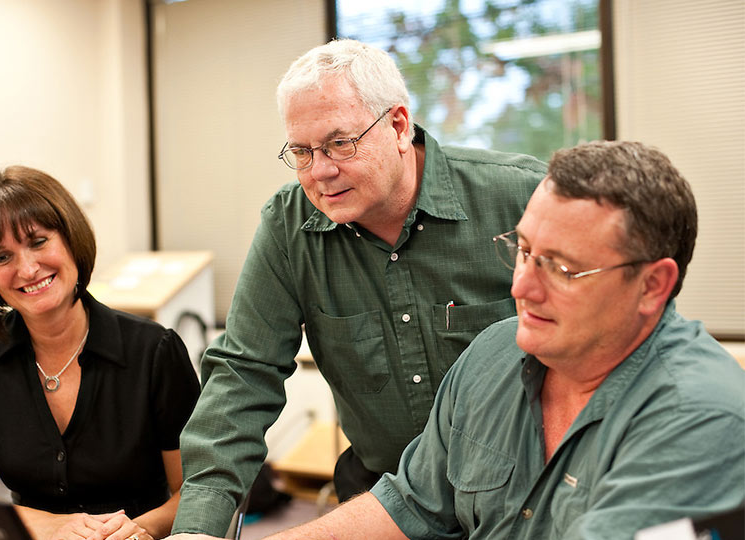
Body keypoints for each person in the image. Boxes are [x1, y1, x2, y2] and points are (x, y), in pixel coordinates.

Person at [171, 140, 745, 540]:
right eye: (523, 251)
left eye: (563, 268)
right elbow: (410, 504)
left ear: (653, 285)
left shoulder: (700, 419)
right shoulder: (496, 355)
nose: (522, 285)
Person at [171, 39, 545, 536]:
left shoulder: (521, 198)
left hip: (521, 491)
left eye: (339, 144)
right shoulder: (290, 227)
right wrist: (199, 527)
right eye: (302, 152)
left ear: (397, 125)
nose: (320, 171)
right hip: (383, 494)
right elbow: (243, 376)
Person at [0, 166, 200, 540]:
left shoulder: (154, 351)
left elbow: (195, 490)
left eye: (38, 241)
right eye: (1, 257)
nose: (27, 269)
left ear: (70, 239)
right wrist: (49, 525)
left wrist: (134, 530)